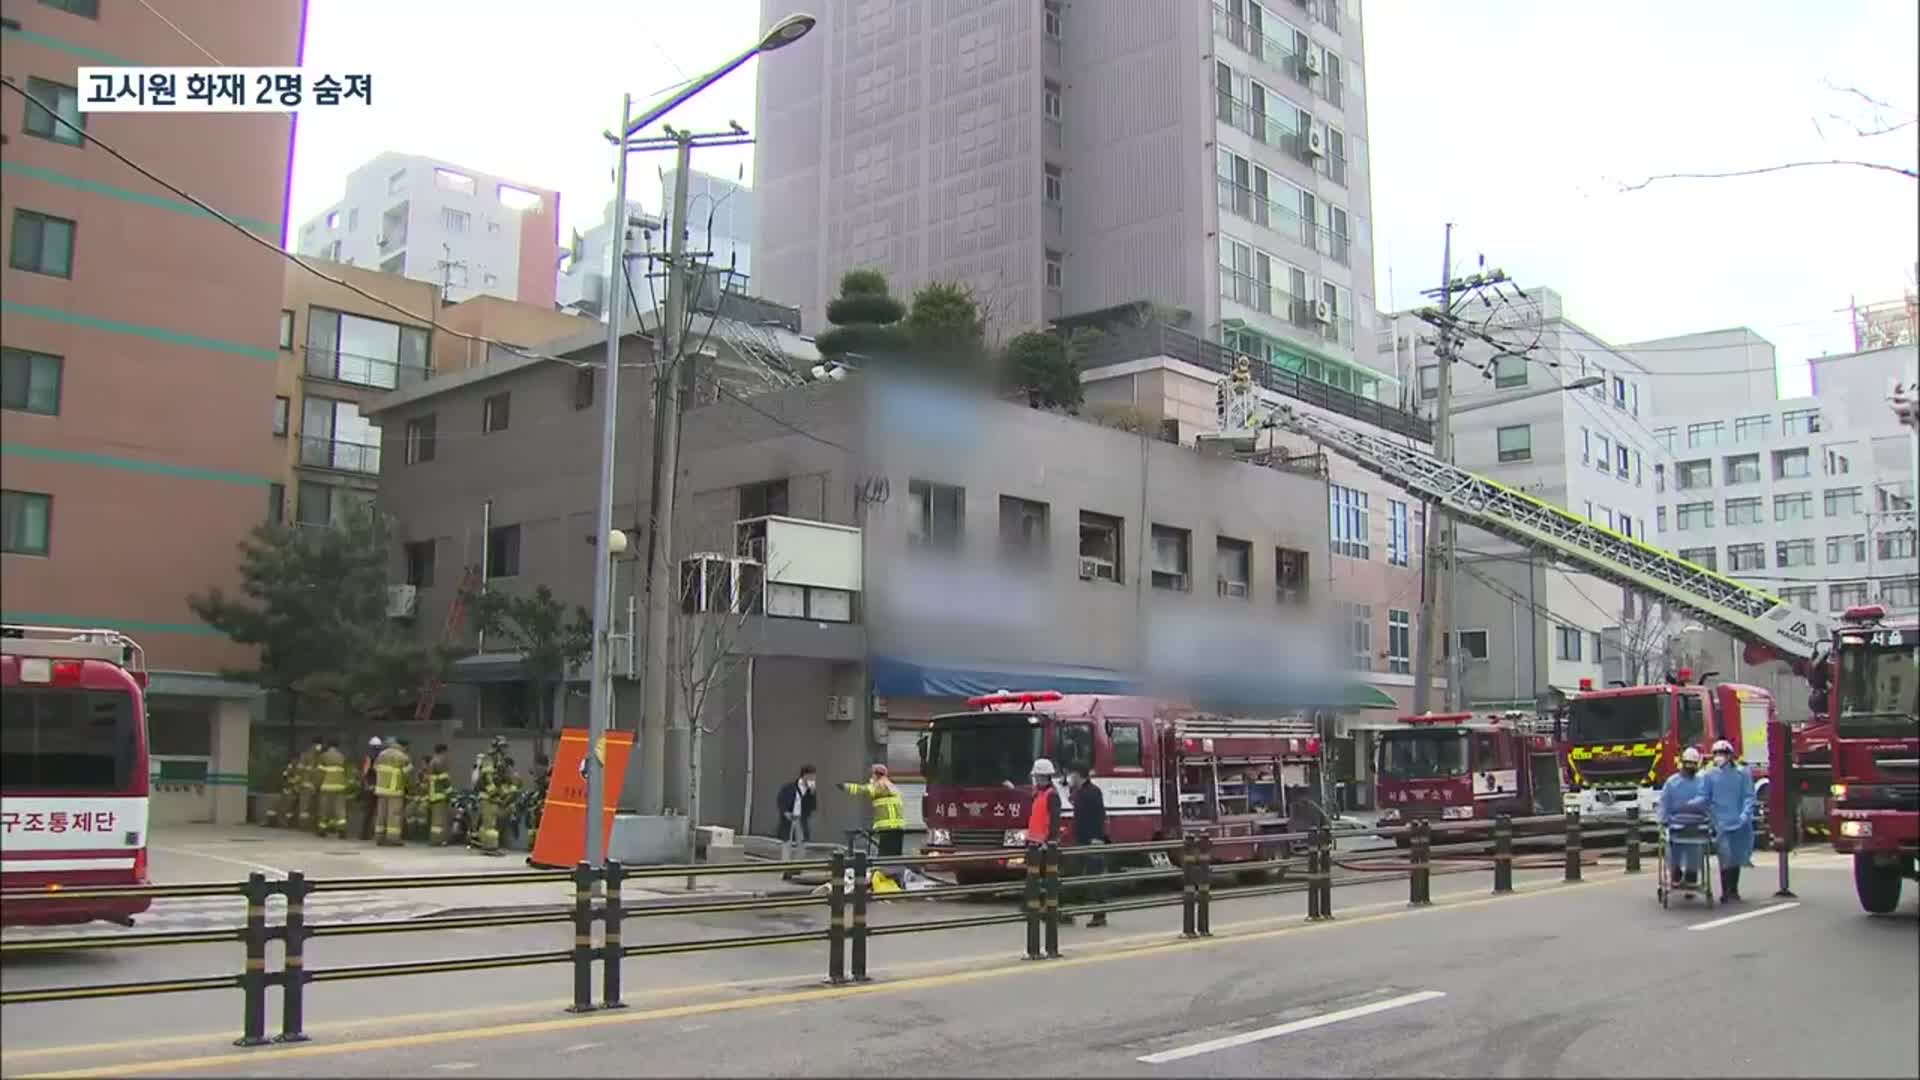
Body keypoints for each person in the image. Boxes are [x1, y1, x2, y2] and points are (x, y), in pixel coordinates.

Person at [1701, 738, 1758, 902]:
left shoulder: (1742, 773)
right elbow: (1706, 798)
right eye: (1716, 753)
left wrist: (1745, 815)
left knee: (1737, 855)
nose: (1719, 757)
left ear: (1730, 755)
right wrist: (1711, 817)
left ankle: (1734, 889)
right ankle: (1726, 891)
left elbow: (1748, 796)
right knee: (1724, 856)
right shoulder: (1709, 775)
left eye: (1722, 753)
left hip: (1739, 822)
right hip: (1721, 823)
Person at [1658, 746, 1712, 886]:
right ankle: (1675, 870)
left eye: (1692, 764)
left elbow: (1708, 803)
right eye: (1687, 763)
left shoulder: (1702, 783)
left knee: (1695, 849)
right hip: (1676, 825)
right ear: (1682, 763)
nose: (1689, 767)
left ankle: (1691, 873)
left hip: (1697, 825)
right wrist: (1663, 822)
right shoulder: (1672, 783)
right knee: (1672, 847)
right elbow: (1664, 804)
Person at [1066, 767, 1109, 928]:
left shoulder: (1093, 792)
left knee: (1094, 878)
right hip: (1081, 841)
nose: (1071, 777)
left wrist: (1097, 838)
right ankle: (1067, 912)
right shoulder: (1080, 792)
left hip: (1092, 841)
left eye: (1073, 775)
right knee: (1074, 876)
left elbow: (1099, 816)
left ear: (1079, 775)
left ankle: (1100, 914)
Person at [841, 764, 906, 858]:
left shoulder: (879, 785)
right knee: (895, 856)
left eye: (872, 774)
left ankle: (884, 872)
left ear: (876, 775)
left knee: (885, 857)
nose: (871, 777)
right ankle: (895, 872)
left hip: (887, 828)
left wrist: (844, 786)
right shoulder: (892, 786)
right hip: (899, 827)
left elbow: (861, 789)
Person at [776, 765, 819, 879]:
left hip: (801, 819)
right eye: (810, 776)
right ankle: (785, 870)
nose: (812, 779)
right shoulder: (790, 787)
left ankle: (797, 868)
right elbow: (781, 799)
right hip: (789, 818)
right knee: (787, 844)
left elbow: (813, 807)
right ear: (804, 775)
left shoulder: (810, 790)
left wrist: (812, 793)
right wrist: (785, 811)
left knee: (802, 844)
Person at [372, 737, 412, 847]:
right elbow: (407, 774)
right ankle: (393, 838)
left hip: (381, 789)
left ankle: (379, 837)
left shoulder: (382, 754)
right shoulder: (403, 757)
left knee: (381, 814)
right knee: (394, 815)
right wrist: (409, 788)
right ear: (405, 746)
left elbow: (375, 768)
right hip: (395, 790)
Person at [314, 739, 350, 839]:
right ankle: (342, 830)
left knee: (324, 809)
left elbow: (319, 773)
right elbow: (346, 773)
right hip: (339, 787)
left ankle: (322, 830)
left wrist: (317, 785)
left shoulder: (323, 756)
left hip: (326, 787)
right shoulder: (342, 757)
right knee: (340, 809)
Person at [424, 744, 453, 846]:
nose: (447, 755)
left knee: (435, 820)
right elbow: (444, 779)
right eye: (446, 752)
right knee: (438, 821)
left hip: (433, 794)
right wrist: (451, 794)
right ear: (443, 751)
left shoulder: (432, 761)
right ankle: (436, 840)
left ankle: (436, 839)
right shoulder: (440, 762)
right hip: (439, 794)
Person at [357, 736, 384, 841]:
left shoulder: (369, 756)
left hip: (370, 786)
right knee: (379, 812)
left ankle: (365, 834)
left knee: (368, 811)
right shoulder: (383, 756)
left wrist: (363, 782)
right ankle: (377, 834)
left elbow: (365, 771)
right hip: (381, 787)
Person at [296, 738, 322, 832]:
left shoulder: (320, 756)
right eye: (318, 744)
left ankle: (311, 826)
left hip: (315, 786)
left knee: (313, 808)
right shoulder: (306, 755)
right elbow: (299, 769)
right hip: (307, 785)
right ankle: (303, 826)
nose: (319, 747)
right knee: (305, 808)